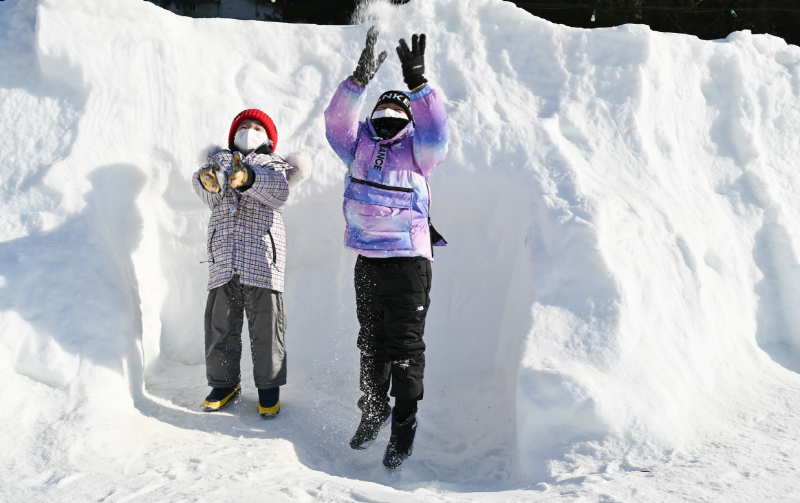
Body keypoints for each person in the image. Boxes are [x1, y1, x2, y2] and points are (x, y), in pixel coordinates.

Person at [324, 28, 449, 468]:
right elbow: (335, 121)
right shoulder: (356, 143)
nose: (390, 111)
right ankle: (374, 412)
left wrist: (418, 86)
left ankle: (404, 427)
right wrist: (357, 81)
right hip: (368, 262)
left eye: (399, 107)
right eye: (385, 104)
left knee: (405, 348)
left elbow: (438, 130)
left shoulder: (419, 151)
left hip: (409, 264)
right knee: (371, 344)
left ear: (409, 116)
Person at [192, 109, 311, 418]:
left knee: (267, 328)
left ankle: (269, 388)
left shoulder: (275, 166)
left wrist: (247, 178)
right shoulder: (218, 161)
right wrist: (209, 182)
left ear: (269, 138)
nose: (249, 130)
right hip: (224, 260)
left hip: (262, 259)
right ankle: (223, 384)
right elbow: (207, 193)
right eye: (243, 126)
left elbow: (277, 192)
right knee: (221, 326)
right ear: (233, 134)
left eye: (257, 127)